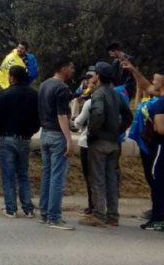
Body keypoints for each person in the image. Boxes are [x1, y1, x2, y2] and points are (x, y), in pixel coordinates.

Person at [122, 60, 164, 231]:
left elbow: (161, 128)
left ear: (162, 83)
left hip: (163, 146)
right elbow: (146, 86)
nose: (152, 82)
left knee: (158, 180)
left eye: (155, 80)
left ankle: (158, 218)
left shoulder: (162, 103)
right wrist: (133, 70)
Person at [78, 62, 133, 228]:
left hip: (99, 142)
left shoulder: (98, 94)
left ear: (99, 77)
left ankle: (99, 214)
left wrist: (92, 134)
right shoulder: (117, 95)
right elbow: (128, 116)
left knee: (97, 179)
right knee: (111, 179)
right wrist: (118, 131)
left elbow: (98, 114)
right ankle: (113, 215)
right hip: (113, 143)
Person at [0, 65, 40, 218]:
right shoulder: (33, 95)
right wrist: (31, 131)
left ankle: (11, 208)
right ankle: (28, 208)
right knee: (23, 173)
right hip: (25, 138)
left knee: (8, 174)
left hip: (7, 137)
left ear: (12, 77)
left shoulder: (4, 94)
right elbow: (38, 118)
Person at [37, 56, 76, 230]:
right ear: (63, 68)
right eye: (71, 67)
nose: (73, 70)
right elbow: (62, 115)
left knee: (47, 176)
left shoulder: (44, 85)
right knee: (57, 179)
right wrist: (69, 139)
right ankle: (54, 217)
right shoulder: (62, 88)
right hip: (57, 135)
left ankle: (45, 213)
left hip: (44, 133)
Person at [73, 71, 98, 217]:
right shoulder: (116, 97)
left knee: (89, 176)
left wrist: (75, 121)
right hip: (105, 141)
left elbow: (78, 122)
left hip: (87, 142)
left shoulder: (90, 102)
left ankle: (92, 205)